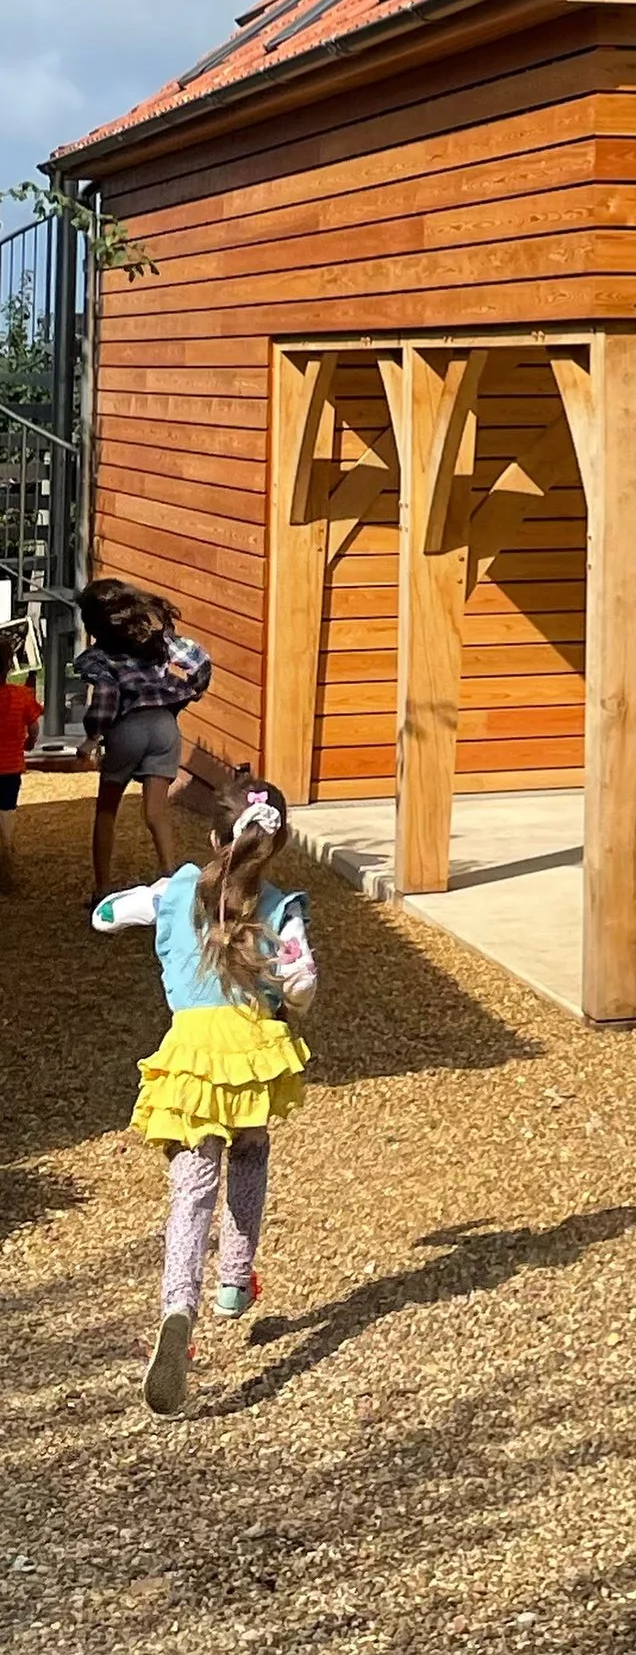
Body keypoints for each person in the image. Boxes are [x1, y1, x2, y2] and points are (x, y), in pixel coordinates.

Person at [93, 774, 315, 1414]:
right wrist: (281, 985)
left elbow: (106, 915)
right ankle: (234, 1283)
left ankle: (176, 1310)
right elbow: (301, 982)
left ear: (215, 835)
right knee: (249, 1156)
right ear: (272, 849)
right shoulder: (279, 906)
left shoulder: (175, 889)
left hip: (190, 1052)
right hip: (249, 1052)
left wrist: (148, 906)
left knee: (191, 1189)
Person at [73, 577, 212, 909]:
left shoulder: (99, 657)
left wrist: (93, 736)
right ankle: (171, 879)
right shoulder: (155, 644)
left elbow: (106, 698)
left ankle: (103, 889)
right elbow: (199, 659)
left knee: (107, 808)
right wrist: (196, 689)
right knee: (156, 811)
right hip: (164, 727)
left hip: (127, 729)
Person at [0, 628, 41, 890]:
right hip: (10, 767)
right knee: (7, 812)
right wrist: (30, 741)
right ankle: (6, 855)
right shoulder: (21, 696)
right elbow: (34, 728)